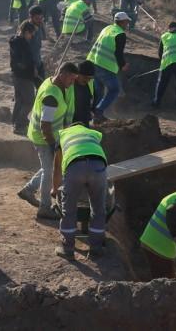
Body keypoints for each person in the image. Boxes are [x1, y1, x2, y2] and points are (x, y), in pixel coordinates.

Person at [17, 63, 78, 219]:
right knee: (49, 171)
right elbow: (45, 125)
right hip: (43, 137)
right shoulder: (51, 96)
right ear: (63, 74)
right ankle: (44, 208)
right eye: (71, 78)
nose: (72, 82)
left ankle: (28, 190)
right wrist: (52, 145)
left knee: (47, 167)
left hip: (46, 134)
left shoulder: (51, 81)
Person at [51, 123, 108, 260]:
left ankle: (68, 249)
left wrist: (54, 188)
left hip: (75, 166)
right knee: (98, 209)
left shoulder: (64, 135)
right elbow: (96, 152)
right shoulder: (92, 134)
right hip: (98, 167)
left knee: (69, 209)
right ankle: (96, 249)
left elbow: (57, 167)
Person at [87, 12, 130, 123]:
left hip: (94, 62)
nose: (128, 24)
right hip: (105, 66)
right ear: (123, 22)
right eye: (127, 22)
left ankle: (95, 116)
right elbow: (118, 53)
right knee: (114, 89)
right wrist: (123, 65)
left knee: (99, 91)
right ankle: (99, 111)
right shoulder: (120, 34)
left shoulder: (108, 28)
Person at [9, 21, 37, 135]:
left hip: (18, 75)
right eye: (31, 33)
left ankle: (16, 121)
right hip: (23, 77)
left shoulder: (16, 41)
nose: (32, 36)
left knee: (19, 100)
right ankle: (19, 124)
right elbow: (23, 61)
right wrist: (30, 69)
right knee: (30, 101)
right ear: (26, 32)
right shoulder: (21, 43)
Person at [152, 22, 176, 110]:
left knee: (162, 83)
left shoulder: (164, 36)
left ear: (169, 28)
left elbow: (160, 53)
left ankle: (156, 102)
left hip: (167, 63)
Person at [67, 61, 95, 127]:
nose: (88, 80)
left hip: (85, 122)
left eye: (90, 78)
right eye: (85, 77)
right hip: (71, 124)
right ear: (78, 74)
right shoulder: (69, 85)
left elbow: (93, 99)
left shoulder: (90, 83)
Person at [28, 5, 46, 84]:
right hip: (30, 63)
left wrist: (43, 25)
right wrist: (33, 66)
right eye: (37, 19)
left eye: (41, 18)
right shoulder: (28, 30)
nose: (39, 20)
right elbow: (28, 50)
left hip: (38, 60)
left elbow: (45, 37)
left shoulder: (38, 26)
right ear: (31, 17)